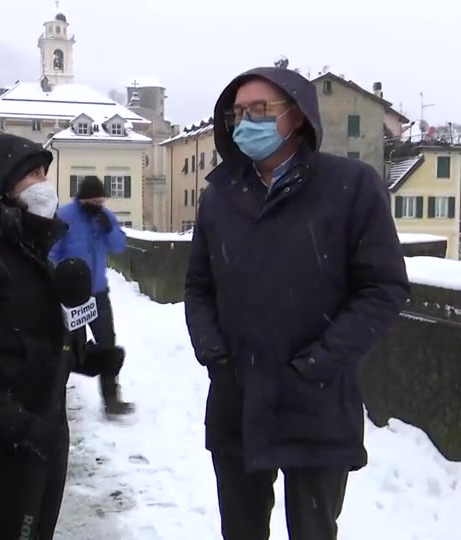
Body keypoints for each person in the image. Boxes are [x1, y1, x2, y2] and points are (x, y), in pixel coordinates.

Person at [184, 66, 411, 540]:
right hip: (237, 400)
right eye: (238, 112)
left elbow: (383, 288)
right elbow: (199, 286)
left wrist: (320, 363)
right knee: (241, 530)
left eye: (260, 109)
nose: (246, 121)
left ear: (297, 116)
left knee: (313, 529)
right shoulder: (220, 195)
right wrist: (215, 353)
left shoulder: (350, 187)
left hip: (316, 405)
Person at [0, 131, 125, 540]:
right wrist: (19, 426)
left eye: (44, 172)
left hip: (47, 433)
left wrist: (85, 360)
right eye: (32, 174)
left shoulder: (31, 250)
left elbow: (36, 338)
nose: (44, 184)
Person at [50, 176, 135, 417]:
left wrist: (108, 229)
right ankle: (56, 401)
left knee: (107, 345)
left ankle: (111, 400)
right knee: (68, 350)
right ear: (83, 198)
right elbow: (52, 252)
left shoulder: (105, 216)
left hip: (98, 293)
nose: (98, 204)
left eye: (101, 200)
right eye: (93, 201)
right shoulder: (65, 217)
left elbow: (119, 246)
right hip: (71, 297)